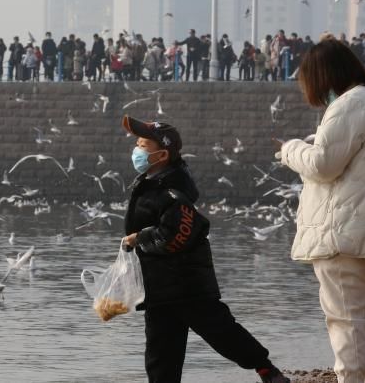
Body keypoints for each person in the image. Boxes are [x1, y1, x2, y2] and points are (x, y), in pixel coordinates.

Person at [276, 37, 365, 382]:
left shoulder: (350, 104)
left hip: (342, 235)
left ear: (323, 75)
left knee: (345, 322)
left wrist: (291, 149)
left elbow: (322, 164)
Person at [120, 115, 289, 383]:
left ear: (162, 154)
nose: (137, 150)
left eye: (143, 145)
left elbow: (175, 236)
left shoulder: (173, 192)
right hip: (159, 289)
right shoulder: (152, 182)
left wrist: (138, 238)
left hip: (187, 285)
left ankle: (267, 371)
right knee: (160, 355)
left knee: (221, 333)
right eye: (137, 144)